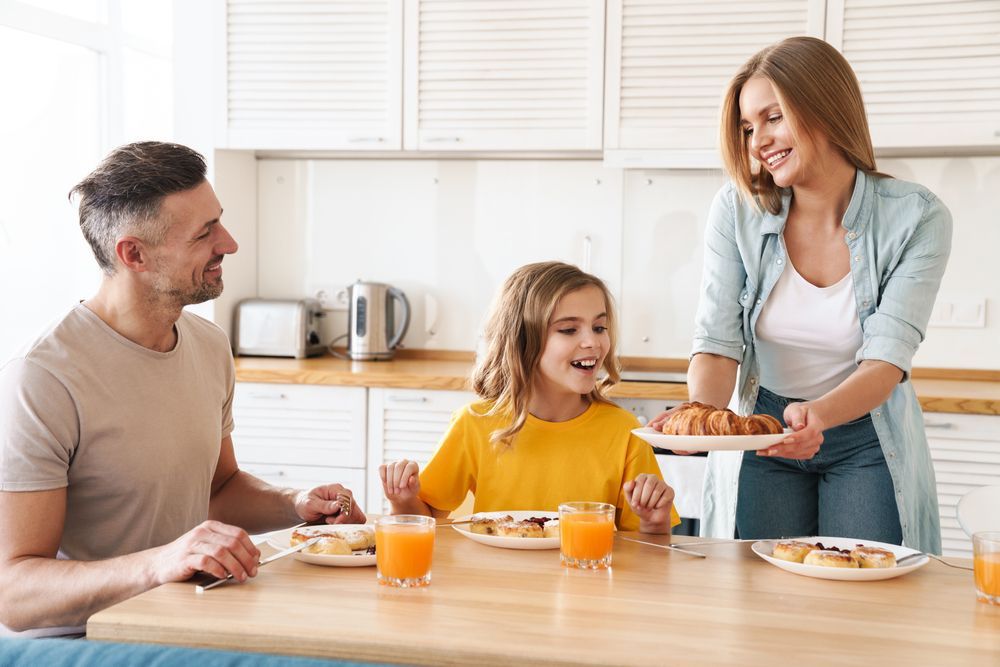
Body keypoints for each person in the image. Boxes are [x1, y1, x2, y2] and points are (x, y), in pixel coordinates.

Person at [0, 142, 366, 637]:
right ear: (134, 254)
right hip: (81, 639)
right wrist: (160, 563)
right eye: (204, 233)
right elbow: (14, 592)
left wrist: (295, 504)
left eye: (220, 221)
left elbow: (218, 490)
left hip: (186, 618)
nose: (230, 243)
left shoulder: (209, 345)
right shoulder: (43, 377)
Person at [651, 37, 951, 554]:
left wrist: (814, 417)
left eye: (773, 117)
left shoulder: (917, 217)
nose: (758, 141)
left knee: (857, 593)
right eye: (748, 127)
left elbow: (886, 360)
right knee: (761, 597)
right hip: (761, 433)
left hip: (866, 437)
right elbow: (718, 341)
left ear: (825, 107)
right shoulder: (737, 209)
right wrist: (700, 413)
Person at [380, 261, 680, 534]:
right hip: (497, 584)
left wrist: (655, 521)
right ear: (523, 341)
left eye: (599, 327)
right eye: (569, 329)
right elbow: (426, 520)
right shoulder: (476, 424)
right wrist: (402, 499)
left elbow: (645, 551)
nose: (592, 342)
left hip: (587, 588)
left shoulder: (624, 431)